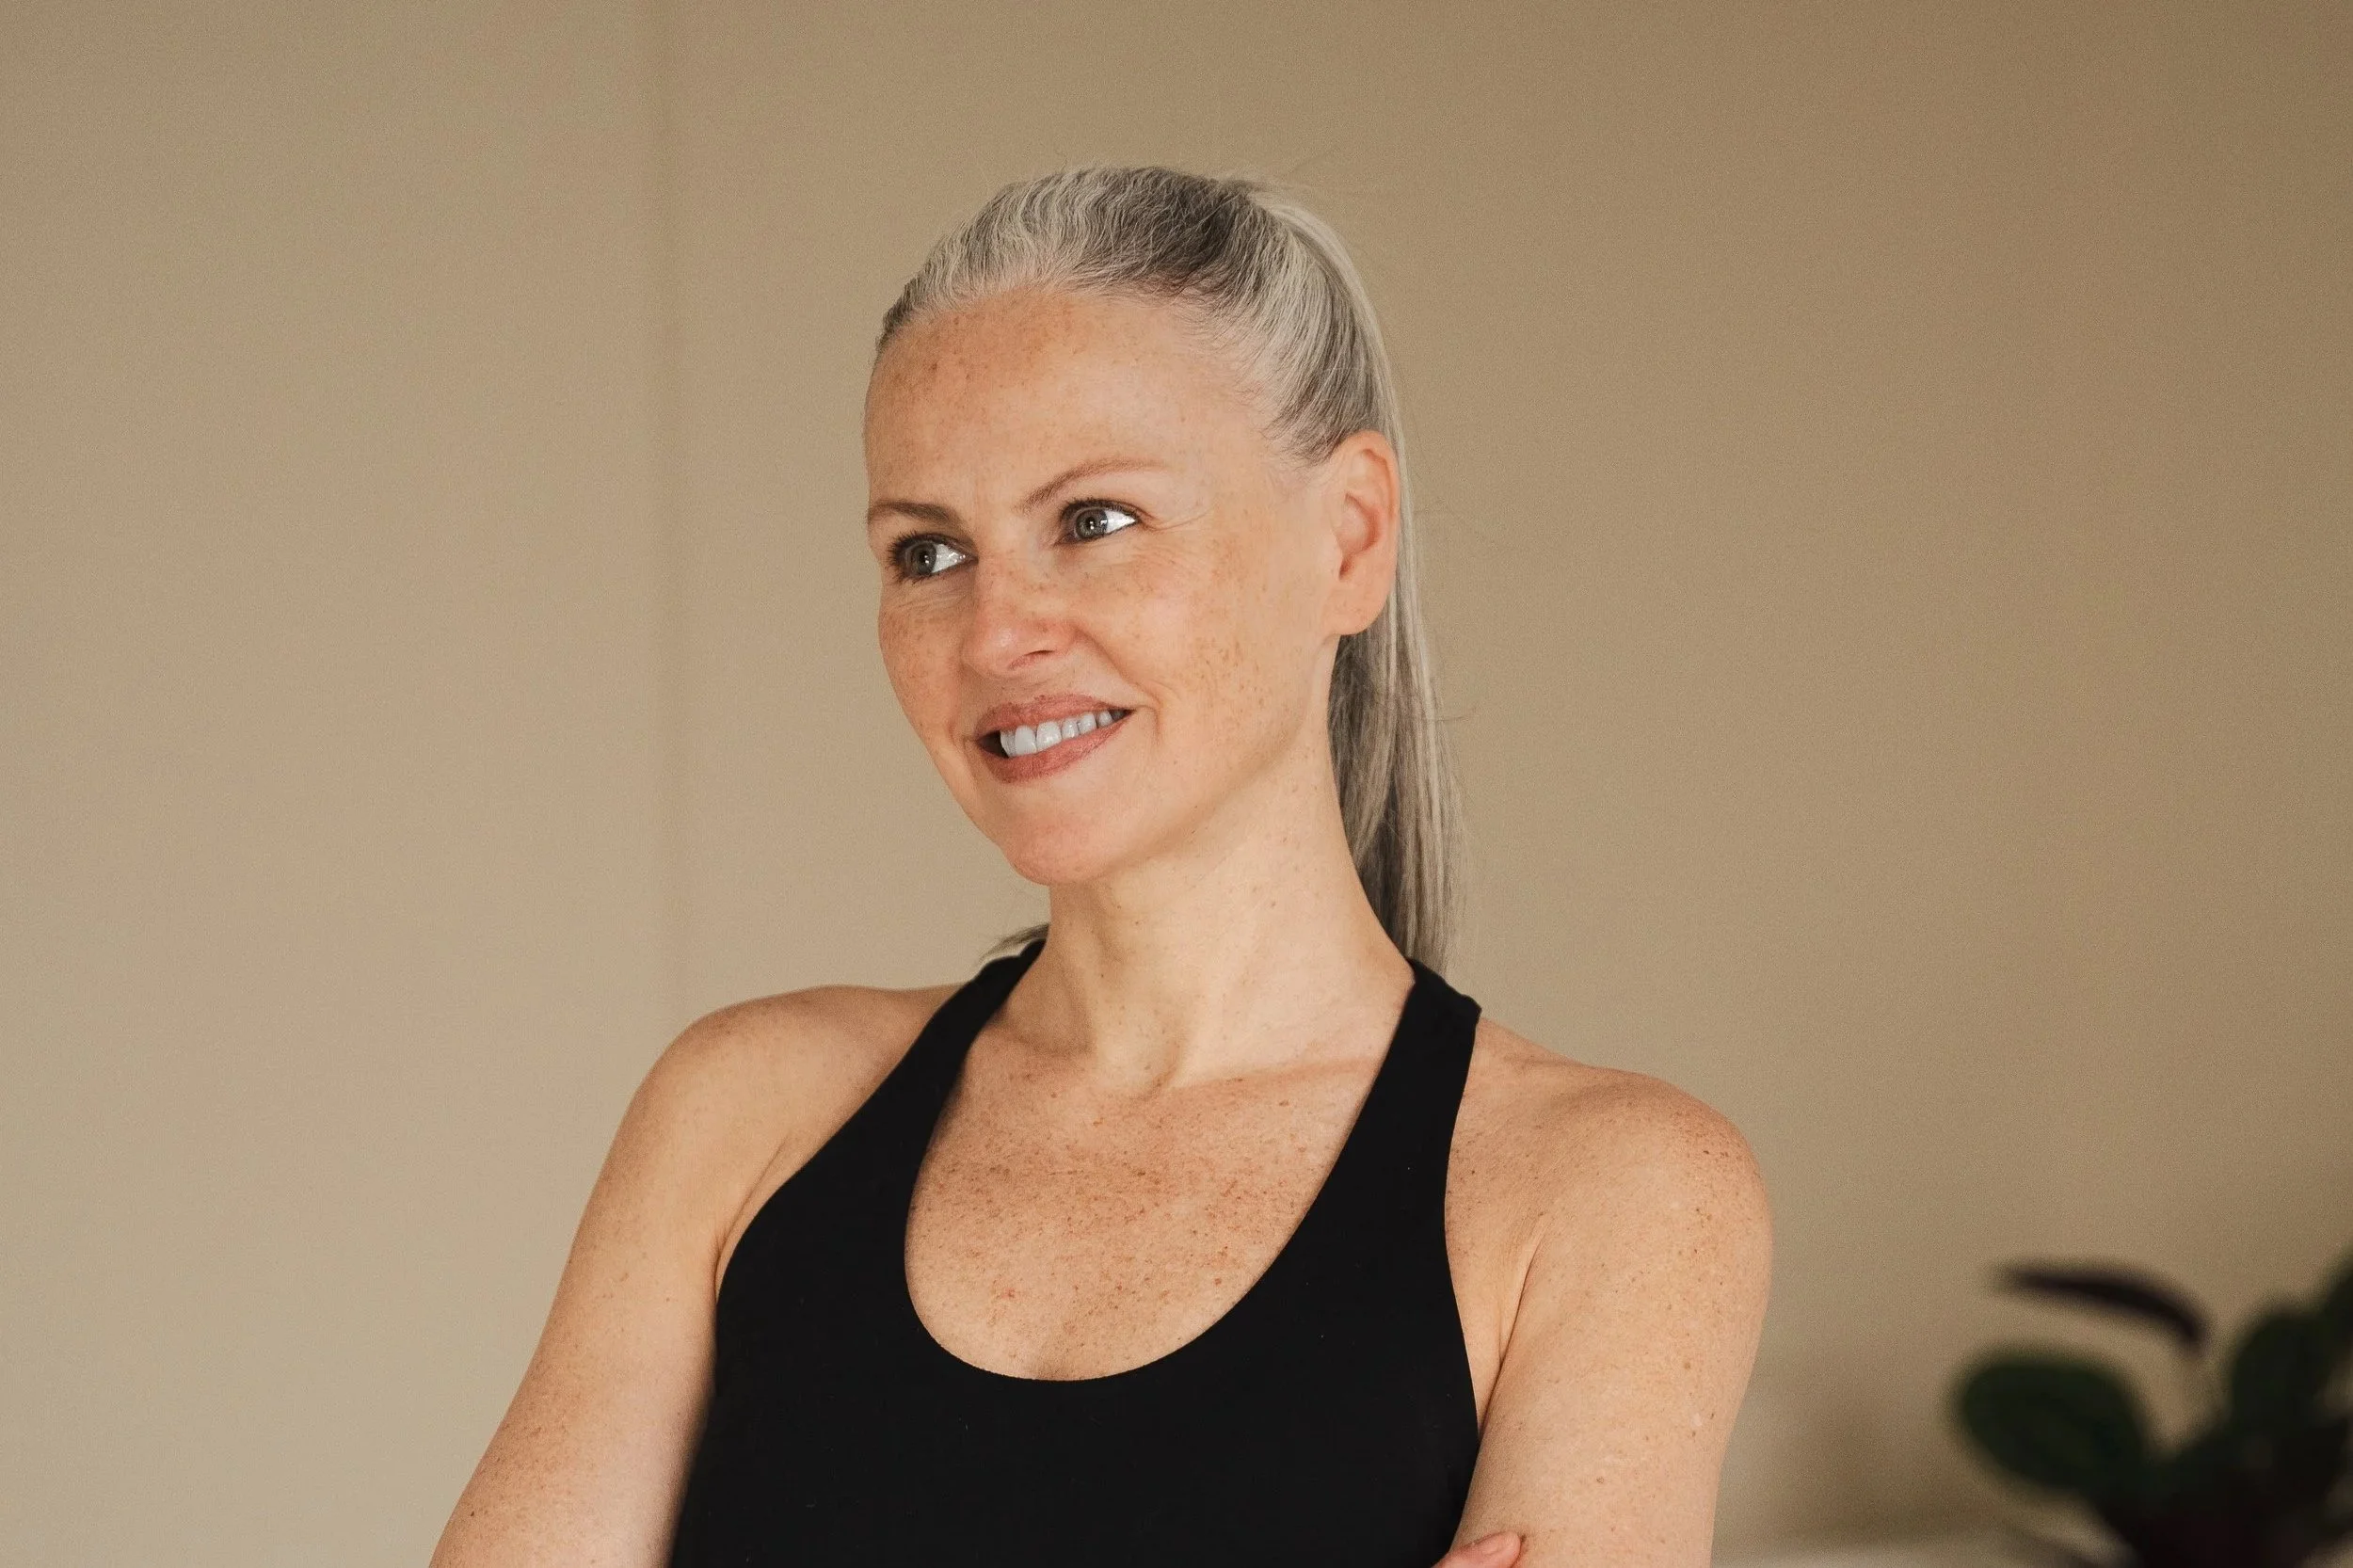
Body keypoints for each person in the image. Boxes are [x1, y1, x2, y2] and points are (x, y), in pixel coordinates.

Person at [430, 166, 1772, 1568]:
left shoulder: (1604, 1193)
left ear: (1349, 539)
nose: (997, 629)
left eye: (1096, 520)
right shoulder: (745, 1115)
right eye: (928, 550)